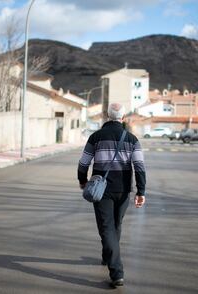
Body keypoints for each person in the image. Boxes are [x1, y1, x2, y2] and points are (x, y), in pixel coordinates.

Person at [77, 103, 146, 288]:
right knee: (115, 225)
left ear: (107, 116)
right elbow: (139, 167)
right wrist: (141, 191)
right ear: (122, 118)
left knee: (106, 227)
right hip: (123, 190)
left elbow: (84, 162)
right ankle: (109, 256)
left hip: (102, 190)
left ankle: (116, 272)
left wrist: (82, 180)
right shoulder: (132, 139)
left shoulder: (96, 137)